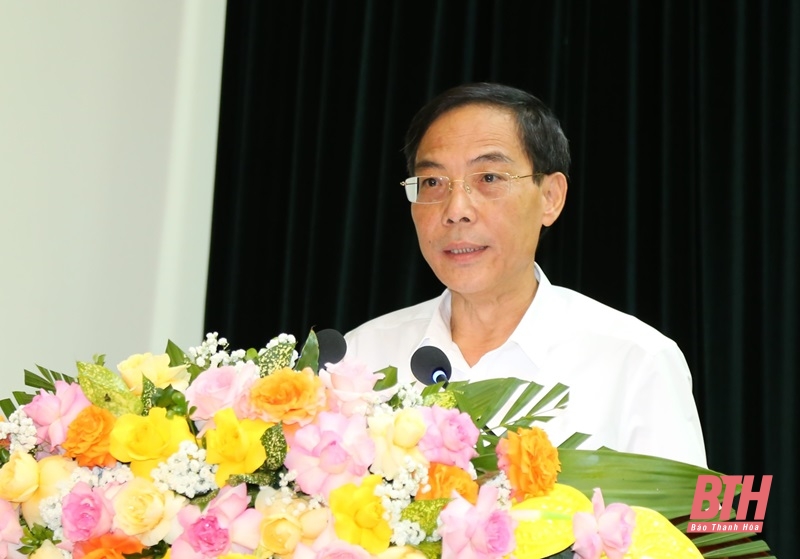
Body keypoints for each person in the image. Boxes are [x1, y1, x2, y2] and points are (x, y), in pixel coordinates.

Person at [344, 82, 707, 468]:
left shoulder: (636, 359)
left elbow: (712, 527)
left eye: (488, 178)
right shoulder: (361, 359)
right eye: (432, 183)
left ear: (551, 197)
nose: (456, 210)